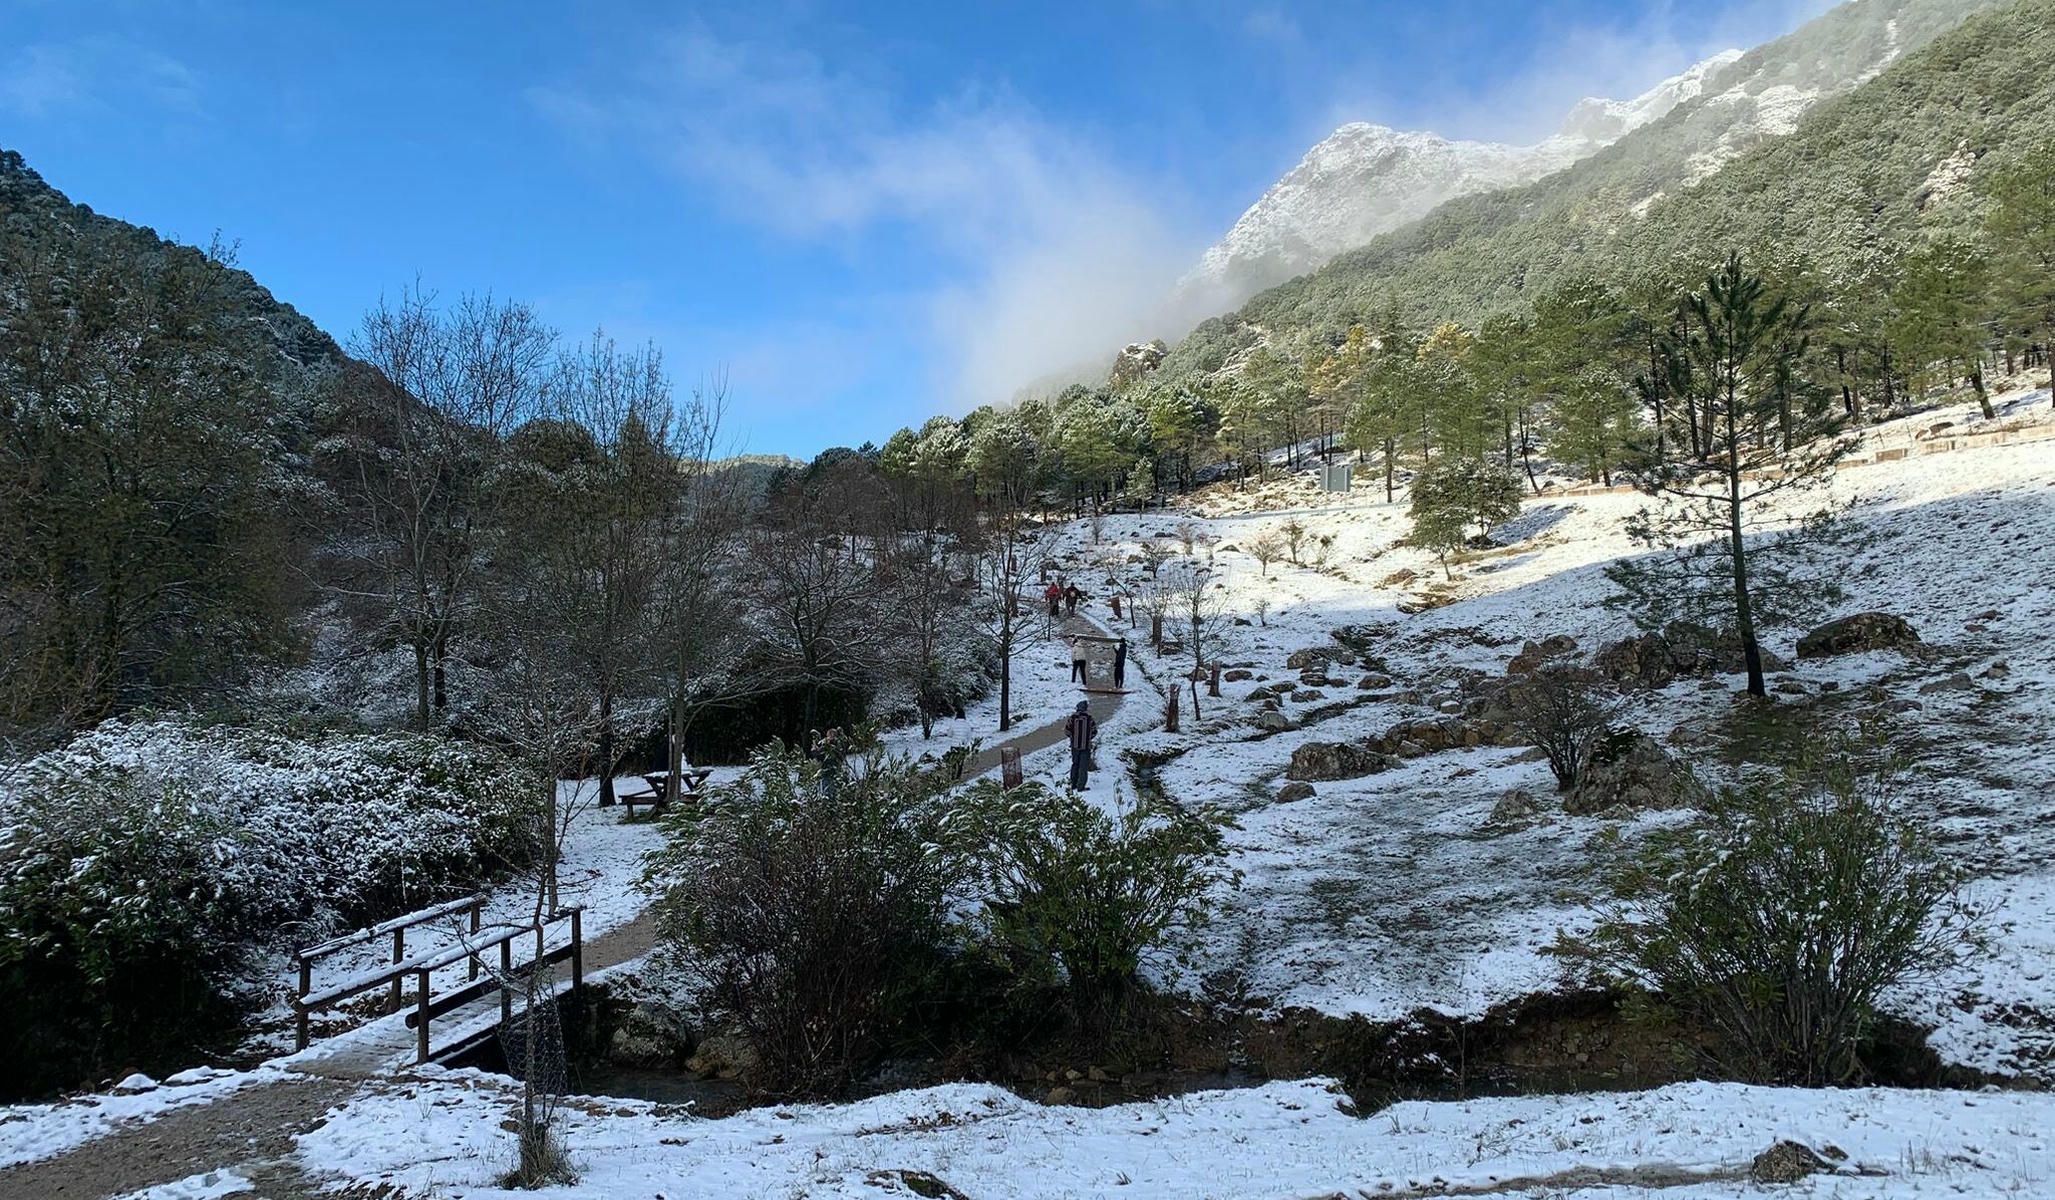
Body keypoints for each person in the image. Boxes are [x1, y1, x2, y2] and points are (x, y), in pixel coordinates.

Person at [1064, 700, 1097, 790]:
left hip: (1075, 746)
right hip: (1086, 746)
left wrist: (1073, 738)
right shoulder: (1089, 718)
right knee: (1083, 767)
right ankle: (1081, 786)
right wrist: (1088, 738)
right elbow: (1094, 731)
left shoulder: (1072, 718)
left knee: (1075, 764)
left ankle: (1073, 784)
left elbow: (1067, 731)